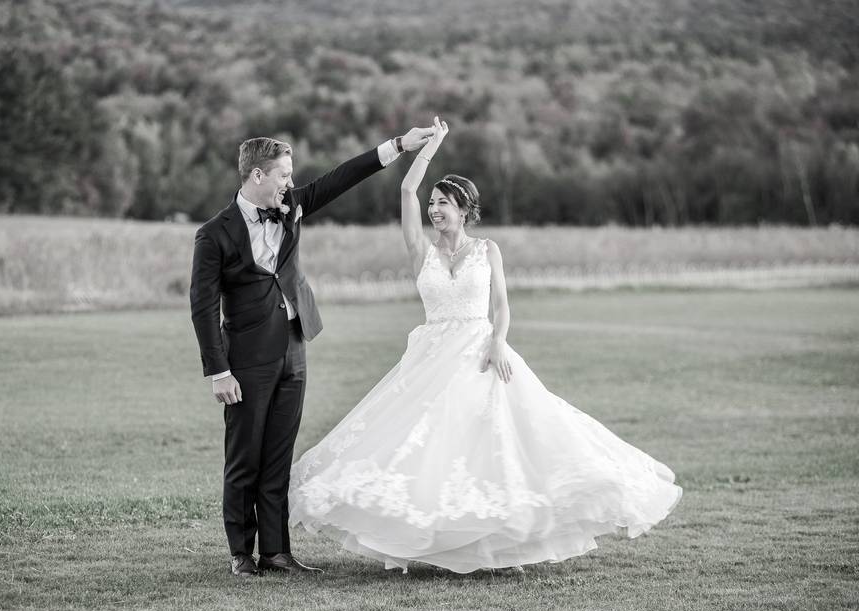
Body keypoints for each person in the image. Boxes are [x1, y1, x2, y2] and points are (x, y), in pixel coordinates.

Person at [289, 118, 682, 574]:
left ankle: (502, 545)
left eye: (444, 203)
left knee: (493, 445)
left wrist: (498, 343)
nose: (435, 209)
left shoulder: (487, 250)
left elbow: (503, 307)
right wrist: (429, 149)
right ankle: (433, 542)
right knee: (429, 446)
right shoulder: (420, 250)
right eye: (433, 203)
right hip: (431, 358)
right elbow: (405, 192)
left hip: (480, 354)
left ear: (464, 210)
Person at [191, 126, 435, 577]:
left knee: (279, 454)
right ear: (258, 175)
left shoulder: (292, 207)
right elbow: (203, 309)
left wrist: (399, 145)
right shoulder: (213, 235)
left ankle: (277, 552)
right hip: (245, 358)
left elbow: (343, 177)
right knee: (245, 455)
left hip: (294, 346)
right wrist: (218, 371)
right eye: (283, 174)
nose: (290, 182)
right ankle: (241, 554)